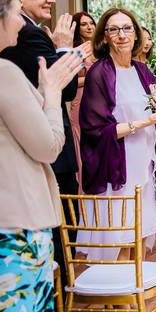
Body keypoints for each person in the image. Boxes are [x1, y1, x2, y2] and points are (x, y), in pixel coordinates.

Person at [0, 0, 96, 312]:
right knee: (55, 246)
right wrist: (60, 59)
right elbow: (60, 94)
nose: (50, 0)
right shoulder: (22, 45)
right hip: (27, 186)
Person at [78, 8, 156, 312]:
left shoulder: (141, 70)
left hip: (142, 163)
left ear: (136, 34)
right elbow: (93, 127)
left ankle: (134, 308)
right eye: (113, 29)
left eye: (126, 28)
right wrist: (140, 124)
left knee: (139, 237)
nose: (121, 35)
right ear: (104, 36)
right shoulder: (98, 74)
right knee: (120, 238)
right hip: (115, 166)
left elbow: (153, 110)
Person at [133, 26, 156, 216]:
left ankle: (154, 202)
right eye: (144, 38)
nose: (147, 43)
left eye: (150, 39)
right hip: (140, 116)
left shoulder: (152, 64)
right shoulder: (131, 66)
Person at [68, 11, 96, 193]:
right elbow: (70, 80)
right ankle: (82, 191)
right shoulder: (74, 51)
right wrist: (93, 78)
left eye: (91, 23)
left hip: (100, 98)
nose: (89, 27)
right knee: (82, 139)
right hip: (80, 98)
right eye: (84, 24)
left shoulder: (102, 48)